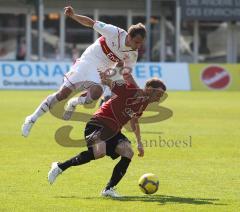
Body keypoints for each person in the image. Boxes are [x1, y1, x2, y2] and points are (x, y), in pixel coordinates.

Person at [21, 6, 146, 137]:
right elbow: (90, 23)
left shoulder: (133, 54)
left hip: (102, 70)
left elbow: (127, 73)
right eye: (137, 42)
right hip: (88, 60)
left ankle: (74, 102)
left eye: (140, 43)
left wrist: (136, 90)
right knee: (63, 94)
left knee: (96, 94)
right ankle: (31, 118)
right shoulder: (115, 32)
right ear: (129, 36)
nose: (138, 46)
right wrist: (74, 15)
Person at [47, 72, 166, 198]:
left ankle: (108, 189)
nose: (159, 98)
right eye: (158, 93)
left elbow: (134, 121)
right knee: (99, 153)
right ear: (148, 89)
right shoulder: (131, 91)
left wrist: (139, 142)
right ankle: (60, 167)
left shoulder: (144, 103)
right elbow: (110, 83)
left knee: (128, 152)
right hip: (98, 123)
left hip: (114, 131)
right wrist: (105, 76)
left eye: (161, 95)